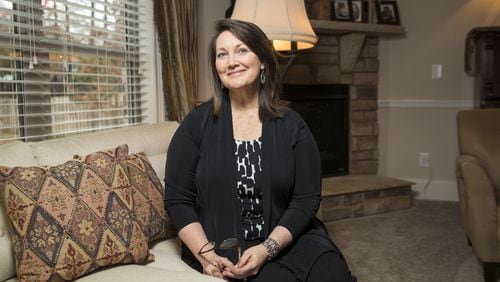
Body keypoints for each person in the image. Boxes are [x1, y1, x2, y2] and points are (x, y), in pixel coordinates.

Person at [164, 19, 356, 281]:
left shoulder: (292, 126)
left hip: (285, 239)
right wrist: (206, 254)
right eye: (222, 54)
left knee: (333, 275)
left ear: (263, 60)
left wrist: (267, 249)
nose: (231, 61)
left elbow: (306, 199)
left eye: (242, 50)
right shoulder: (196, 124)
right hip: (223, 248)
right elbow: (178, 199)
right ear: (217, 67)